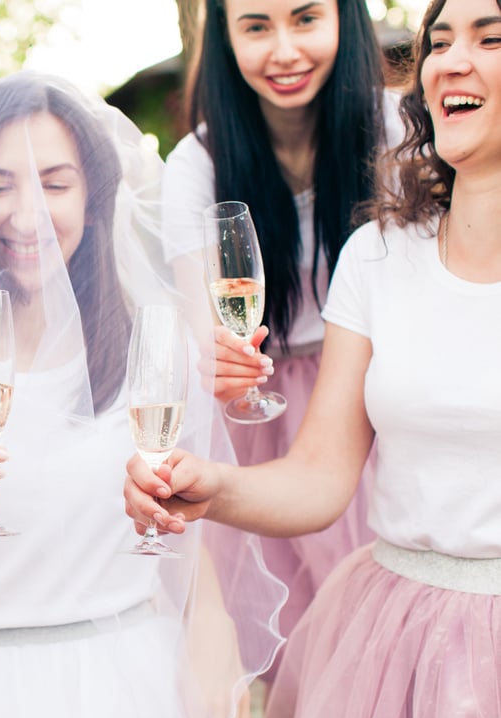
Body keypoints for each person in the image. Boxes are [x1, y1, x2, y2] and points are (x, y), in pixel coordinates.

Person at [0, 72, 286, 718]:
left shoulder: (148, 349)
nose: (27, 216)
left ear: (94, 195)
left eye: (54, 183)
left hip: (127, 694)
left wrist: (215, 659)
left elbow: (185, 543)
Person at [125, 1, 501, 718]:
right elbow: (323, 471)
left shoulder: (384, 133)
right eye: (440, 42)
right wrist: (212, 482)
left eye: (491, 39)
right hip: (319, 430)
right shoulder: (378, 253)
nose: (453, 61)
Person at [160, 0, 403, 661]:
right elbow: (199, 318)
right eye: (256, 27)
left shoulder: (397, 131)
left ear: (344, 21)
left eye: (304, 19)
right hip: (257, 417)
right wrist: (216, 355)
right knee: (292, 645)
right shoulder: (198, 165)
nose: (284, 50)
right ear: (226, 38)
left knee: (378, 633)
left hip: (371, 393)